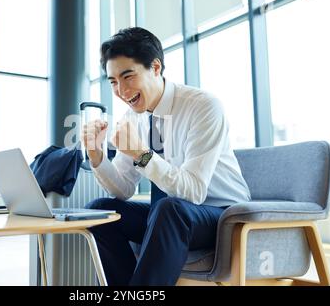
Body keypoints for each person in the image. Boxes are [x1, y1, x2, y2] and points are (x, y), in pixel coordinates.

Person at [82, 27, 251, 286]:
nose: (121, 90)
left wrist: (141, 154)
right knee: (100, 211)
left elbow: (193, 191)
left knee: (168, 209)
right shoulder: (133, 118)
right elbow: (124, 189)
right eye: (113, 81)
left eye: (128, 76)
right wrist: (97, 156)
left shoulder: (203, 106)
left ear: (156, 67)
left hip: (223, 214)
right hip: (171, 215)